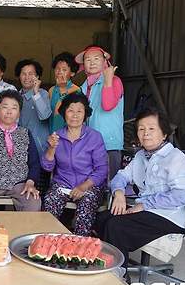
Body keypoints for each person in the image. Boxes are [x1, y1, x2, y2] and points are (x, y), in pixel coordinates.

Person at [95, 107, 185, 273]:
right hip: (147, 211)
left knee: (116, 226)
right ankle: (108, 266)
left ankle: (119, 276)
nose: (145, 133)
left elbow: (182, 195)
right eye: (141, 129)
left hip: (170, 215)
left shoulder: (175, 157)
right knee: (103, 218)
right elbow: (120, 177)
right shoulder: (141, 156)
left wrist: (144, 205)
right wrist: (119, 193)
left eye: (151, 129)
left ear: (164, 134)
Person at [41, 92, 108, 236]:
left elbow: (102, 169)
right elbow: (47, 167)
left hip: (89, 185)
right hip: (63, 184)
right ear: (64, 113)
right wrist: (51, 148)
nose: (75, 115)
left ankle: (79, 247)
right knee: (50, 200)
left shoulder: (94, 137)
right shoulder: (57, 136)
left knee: (86, 205)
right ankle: (49, 243)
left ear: (85, 114)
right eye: (71, 110)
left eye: (79, 111)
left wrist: (83, 186)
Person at [75, 45, 124, 180]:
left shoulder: (115, 80)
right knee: (92, 186)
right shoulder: (84, 86)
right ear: (83, 65)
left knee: (109, 187)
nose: (92, 62)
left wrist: (107, 80)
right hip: (88, 144)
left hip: (109, 144)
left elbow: (108, 105)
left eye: (96, 58)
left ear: (105, 62)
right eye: (88, 59)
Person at [15, 58, 52, 157]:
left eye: (31, 74)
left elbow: (44, 115)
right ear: (19, 76)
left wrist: (36, 93)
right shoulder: (15, 97)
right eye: (23, 73)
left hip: (40, 148)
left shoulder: (43, 94)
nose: (27, 77)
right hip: (20, 148)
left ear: (37, 77)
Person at [48, 52, 81, 133]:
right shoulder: (52, 90)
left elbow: (58, 111)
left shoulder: (76, 90)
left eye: (64, 70)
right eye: (57, 69)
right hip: (52, 135)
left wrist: (64, 90)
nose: (60, 72)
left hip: (68, 135)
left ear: (72, 73)